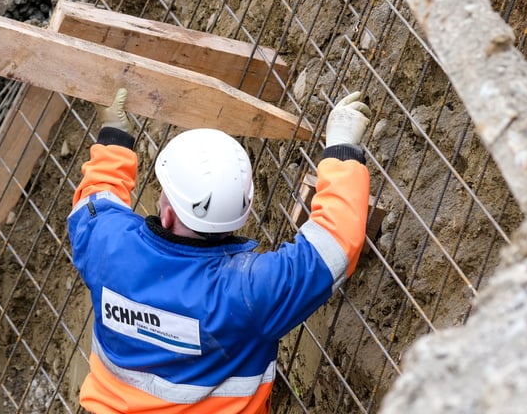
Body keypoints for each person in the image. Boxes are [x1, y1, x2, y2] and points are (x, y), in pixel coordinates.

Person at [68, 88, 372, 414]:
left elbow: (96, 199)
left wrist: (114, 136)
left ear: (168, 214)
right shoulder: (247, 294)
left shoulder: (107, 244)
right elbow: (333, 244)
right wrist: (342, 150)